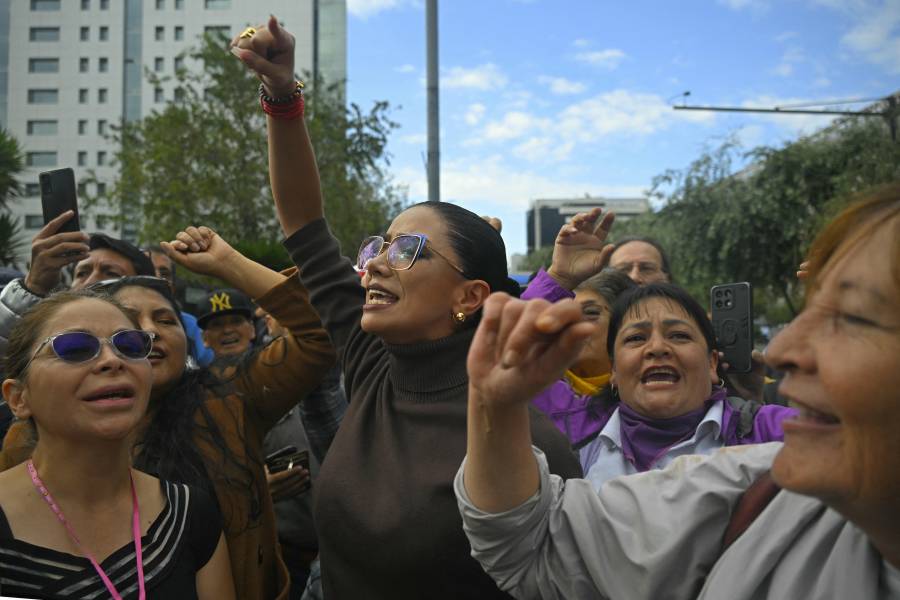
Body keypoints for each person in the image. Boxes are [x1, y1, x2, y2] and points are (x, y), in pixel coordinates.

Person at [231, 18, 582, 598]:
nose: (375, 263)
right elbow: (304, 224)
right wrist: (281, 94)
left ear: (470, 296)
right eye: (378, 245)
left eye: (409, 249)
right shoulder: (372, 362)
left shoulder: (532, 446)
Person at [455, 183, 900, 598]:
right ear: (613, 370)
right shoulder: (746, 478)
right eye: (633, 339)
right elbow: (530, 539)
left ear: (712, 364)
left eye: (853, 317)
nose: (784, 350)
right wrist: (555, 282)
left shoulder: (777, 439)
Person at [2, 226, 335, 600]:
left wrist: (229, 263)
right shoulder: (25, 444)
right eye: (78, 347)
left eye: (163, 321)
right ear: (18, 398)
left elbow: (325, 333)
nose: (147, 335)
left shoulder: (230, 399)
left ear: (189, 337)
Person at [0, 290, 234, 599]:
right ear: (18, 397)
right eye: (75, 348)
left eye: (130, 346)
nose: (112, 360)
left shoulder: (193, 513)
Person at [0, 213, 155, 359]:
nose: (89, 282)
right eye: (82, 273)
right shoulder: (47, 342)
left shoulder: (153, 340)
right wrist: (34, 287)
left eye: (111, 273)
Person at [144, 244, 214, 367]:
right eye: (149, 270)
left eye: (164, 273)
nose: (157, 278)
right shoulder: (118, 320)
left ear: (173, 285)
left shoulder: (190, 325)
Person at [197, 288, 257, 360]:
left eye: (236, 321)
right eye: (217, 325)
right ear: (204, 338)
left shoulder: (272, 367)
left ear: (252, 329)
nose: (227, 330)